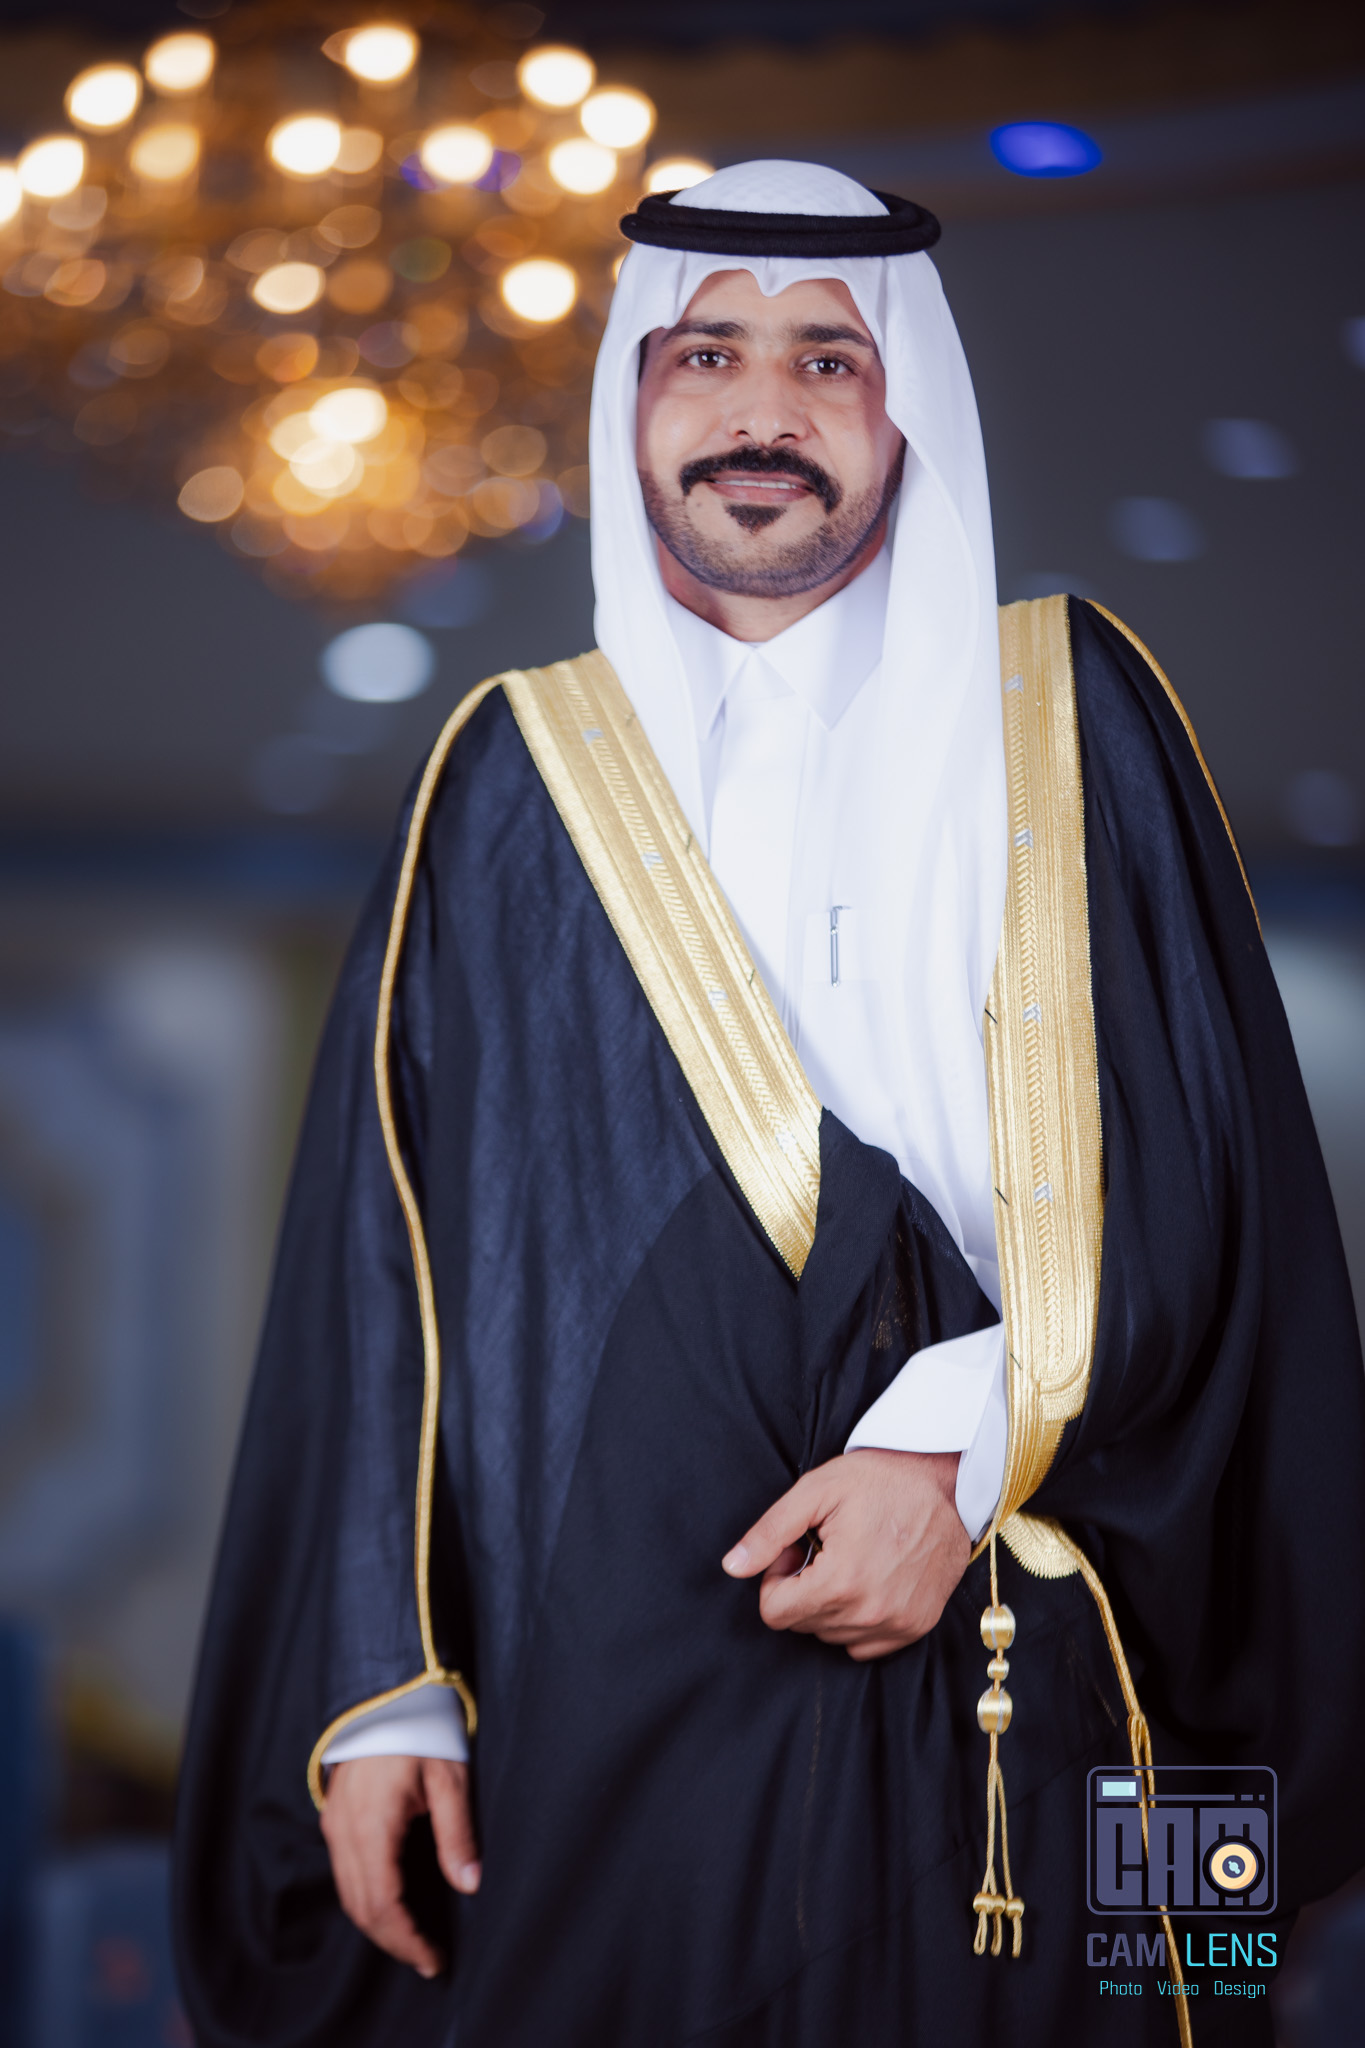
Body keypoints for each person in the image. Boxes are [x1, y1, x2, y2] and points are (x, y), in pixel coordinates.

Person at [173, 163, 1365, 2048]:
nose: (761, 409)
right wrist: (386, 1683)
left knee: (1153, 1991)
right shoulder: (508, 771)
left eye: (827, 360)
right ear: (632, 403)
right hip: (612, 1660)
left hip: (1044, 1611)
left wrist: (957, 1450)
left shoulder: (1071, 712)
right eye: (705, 354)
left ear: (905, 414)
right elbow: (388, 1248)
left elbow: (1212, 1183)